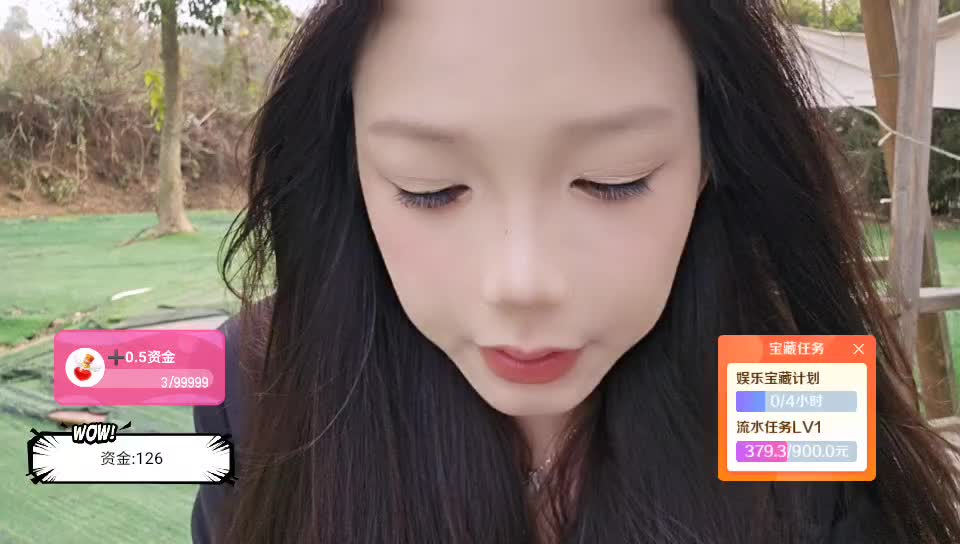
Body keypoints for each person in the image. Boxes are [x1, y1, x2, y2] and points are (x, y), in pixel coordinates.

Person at [191, 0, 960, 542]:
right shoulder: (258, 378)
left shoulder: (792, 388)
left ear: (709, 159)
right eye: (429, 188)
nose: (522, 283)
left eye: (613, 179)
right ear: (352, 165)